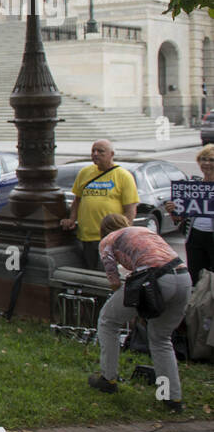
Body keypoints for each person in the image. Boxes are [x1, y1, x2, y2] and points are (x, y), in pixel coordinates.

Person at [89, 213, 186, 412]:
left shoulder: (108, 240)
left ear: (103, 230)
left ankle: (108, 378)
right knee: (161, 338)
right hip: (183, 277)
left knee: (108, 321)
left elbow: (114, 281)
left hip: (155, 279)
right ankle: (172, 398)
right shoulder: (145, 231)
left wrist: (127, 303)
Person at [60, 139, 138, 271]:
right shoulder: (85, 172)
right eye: (93, 151)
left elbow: (130, 209)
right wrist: (72, 219)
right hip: (86, 237)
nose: (95, 154)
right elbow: (77, 200)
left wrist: (124, 235)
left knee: (106, 276)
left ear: (111, 154)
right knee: (90, 274)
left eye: (100, 151)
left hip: (109, 239)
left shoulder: (123, 176)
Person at [164, 143, 214, 284]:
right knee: (195, 275)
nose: (206, 163)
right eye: (203, 159)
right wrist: (173, 209)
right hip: (194, 236)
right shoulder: (191, 186)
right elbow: (179, 218)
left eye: (211, 160)